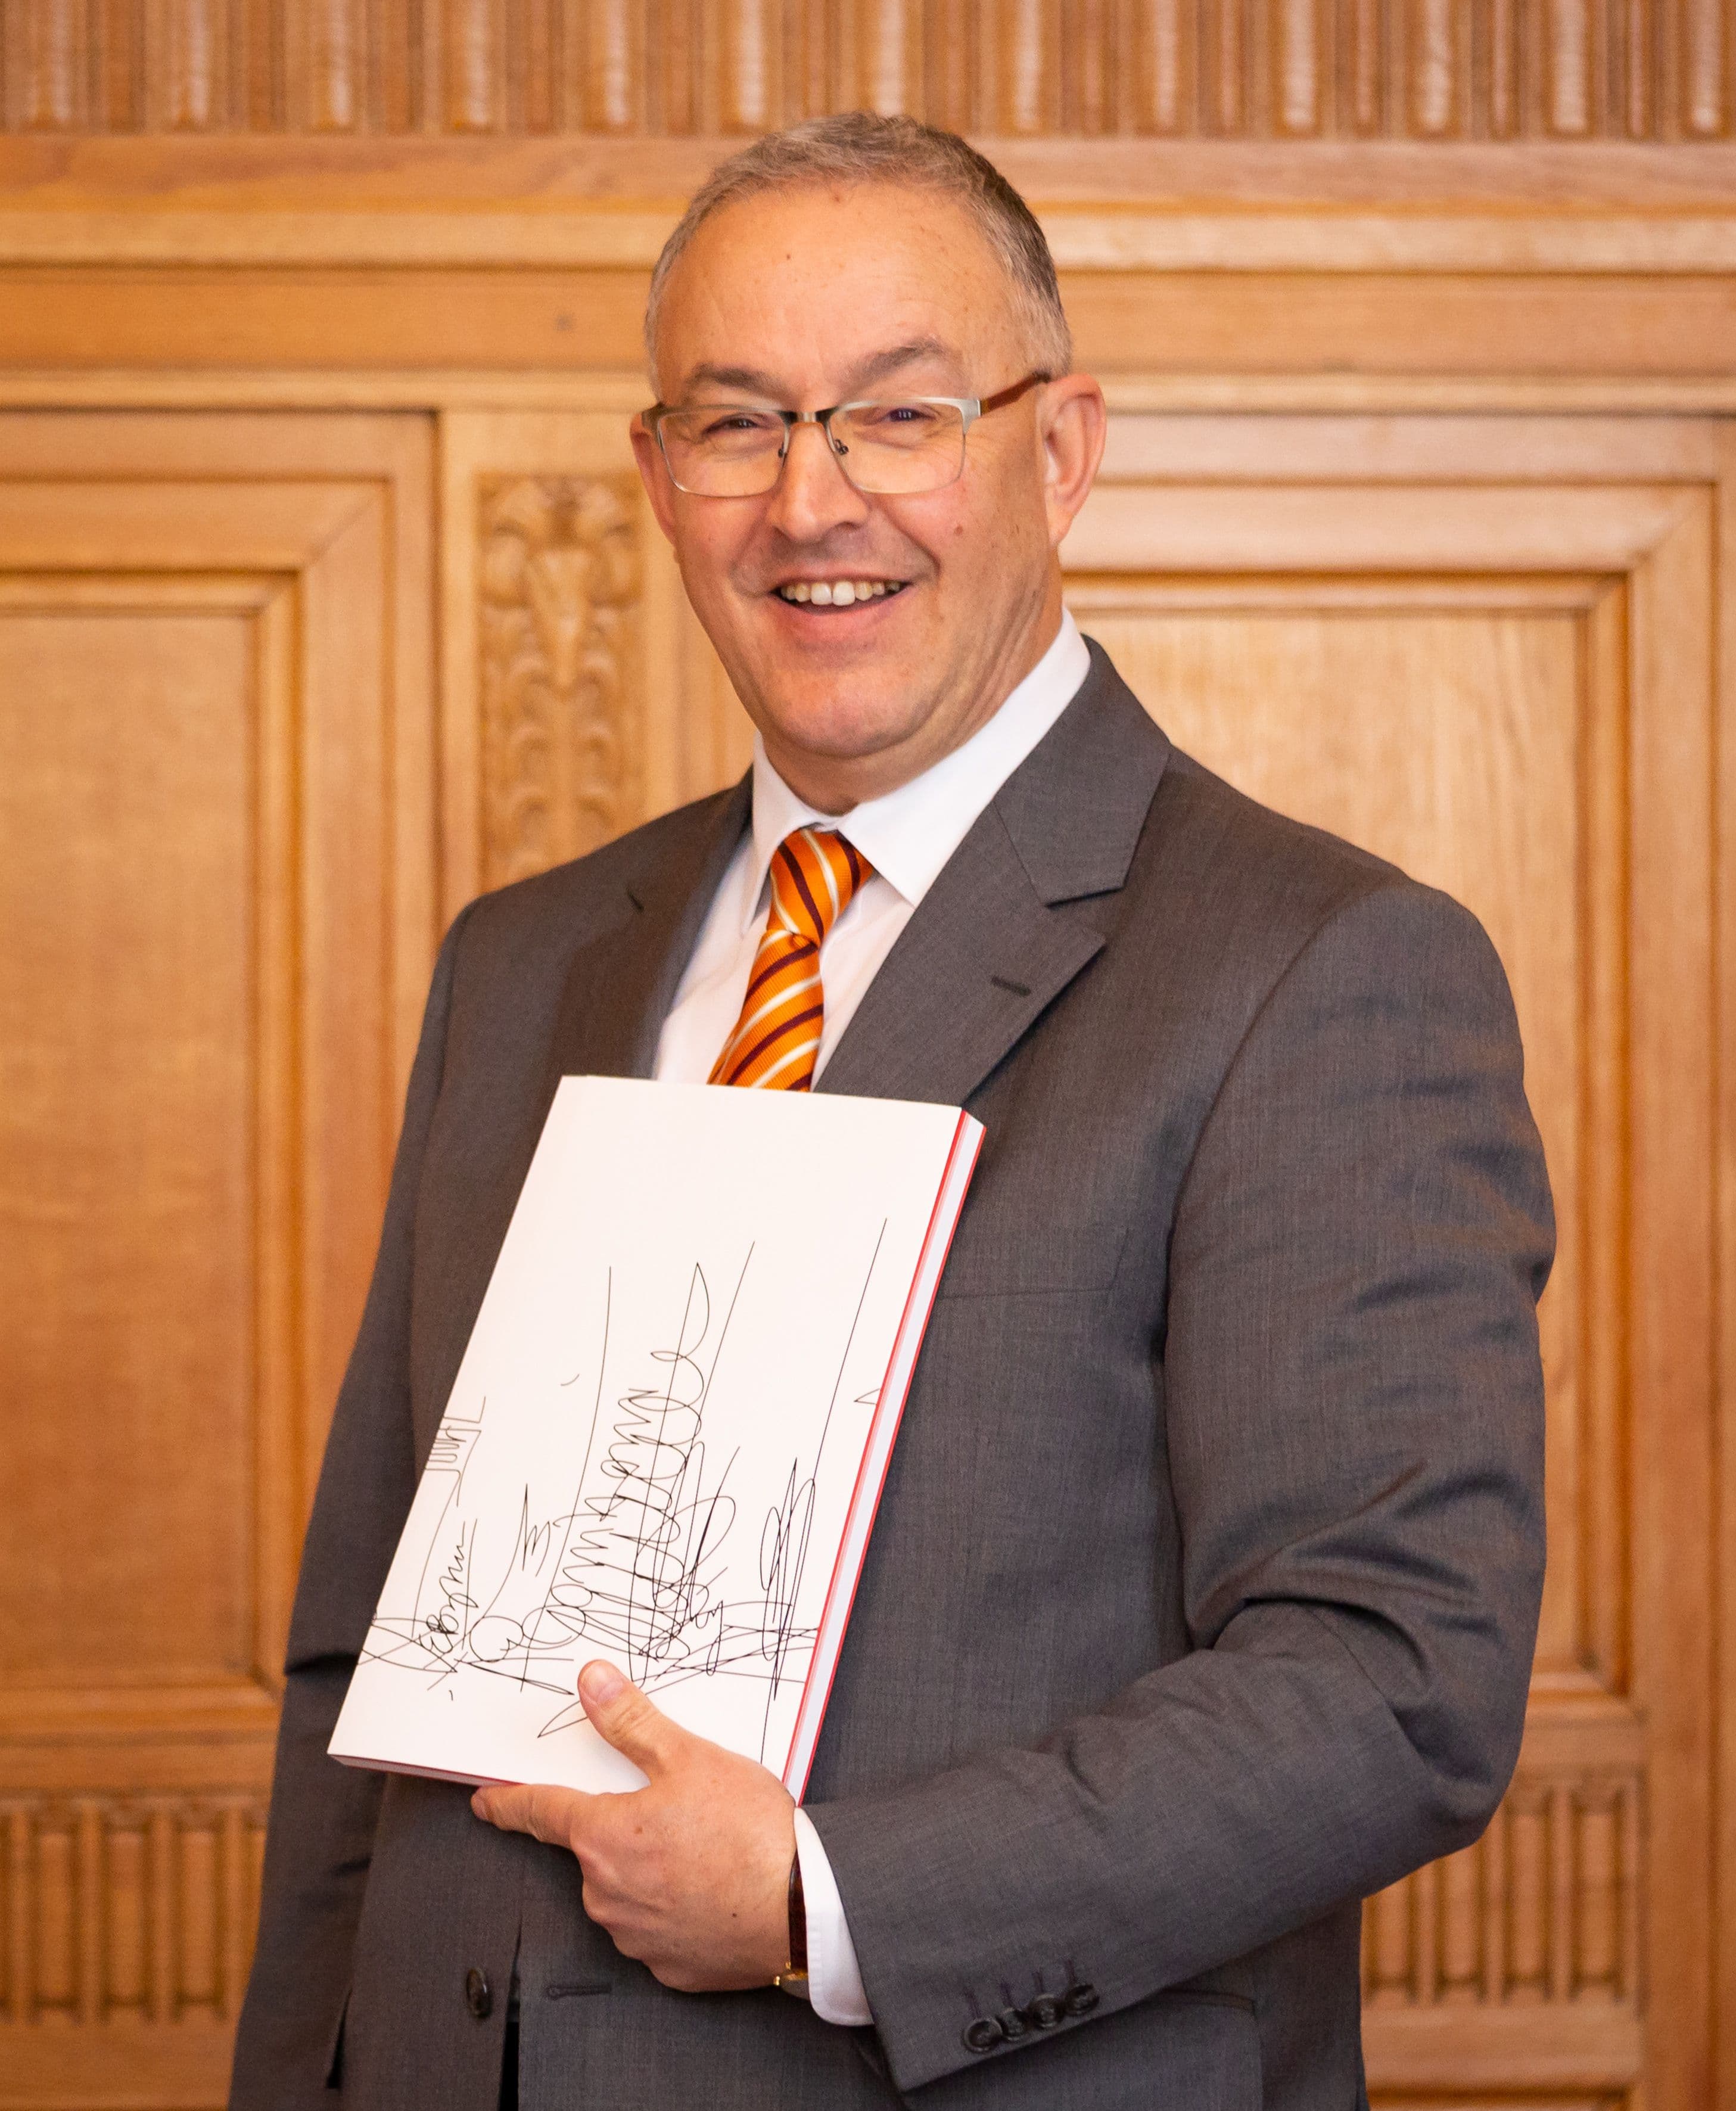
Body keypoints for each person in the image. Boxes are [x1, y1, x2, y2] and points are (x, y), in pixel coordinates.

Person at [231, 113, 1552, 2111]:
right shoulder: (525, 962)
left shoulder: (1319, 968)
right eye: (737, 423)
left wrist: (821, 1896)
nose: (809, 501)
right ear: (657, 479)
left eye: (896, 415)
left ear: (1060, 448)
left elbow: (1390, 1686)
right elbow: (363, 1668)